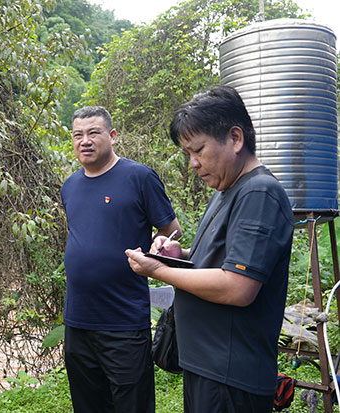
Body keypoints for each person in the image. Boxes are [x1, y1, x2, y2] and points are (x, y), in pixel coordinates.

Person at [125, 86, 294, 412]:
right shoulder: (227, 190)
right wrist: (177, 256)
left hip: (231, 376)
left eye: (198, 150)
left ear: (235, 138)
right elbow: (220, 259)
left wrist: (159, 271)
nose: (192, 163)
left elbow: (238, 286)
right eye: (188, 153)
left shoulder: (259, 193)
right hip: (208, 366)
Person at [62, 106, 181, 412]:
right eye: (78, 135)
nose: (85, 141)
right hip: (78, 322)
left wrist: (160, 244)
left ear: (113, 136)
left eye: (94, 133)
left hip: (124, 322)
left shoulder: (139, 177)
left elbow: (172, 229)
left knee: (132, 405)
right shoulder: (70, 186)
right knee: (88, 405)